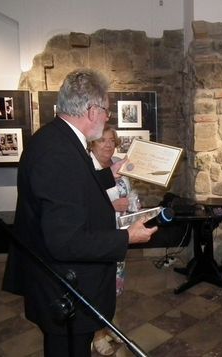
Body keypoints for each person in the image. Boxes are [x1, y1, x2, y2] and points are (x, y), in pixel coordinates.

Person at [2, 69, 157, 357]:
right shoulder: (58, 153)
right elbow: (65, 241)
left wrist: (108, 175)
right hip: (63, 289)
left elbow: (73, 190)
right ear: (92, 110)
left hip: (61, 284)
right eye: (106, 111)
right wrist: (126, 237)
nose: (107, 118)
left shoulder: (56, 138)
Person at [89, 126, 130, 356]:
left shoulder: (118, 164)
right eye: (102, 140)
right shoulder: (87, 168)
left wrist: (134, 207)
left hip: (119, 235)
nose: (108, 145)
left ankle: (108, 325)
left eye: (112, 140)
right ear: (92, 143)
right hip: (98, 238)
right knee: (98, 287)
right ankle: (96, 334)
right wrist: (111, 206)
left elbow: (128, 193)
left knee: (115, 286)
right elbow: (81, 205)